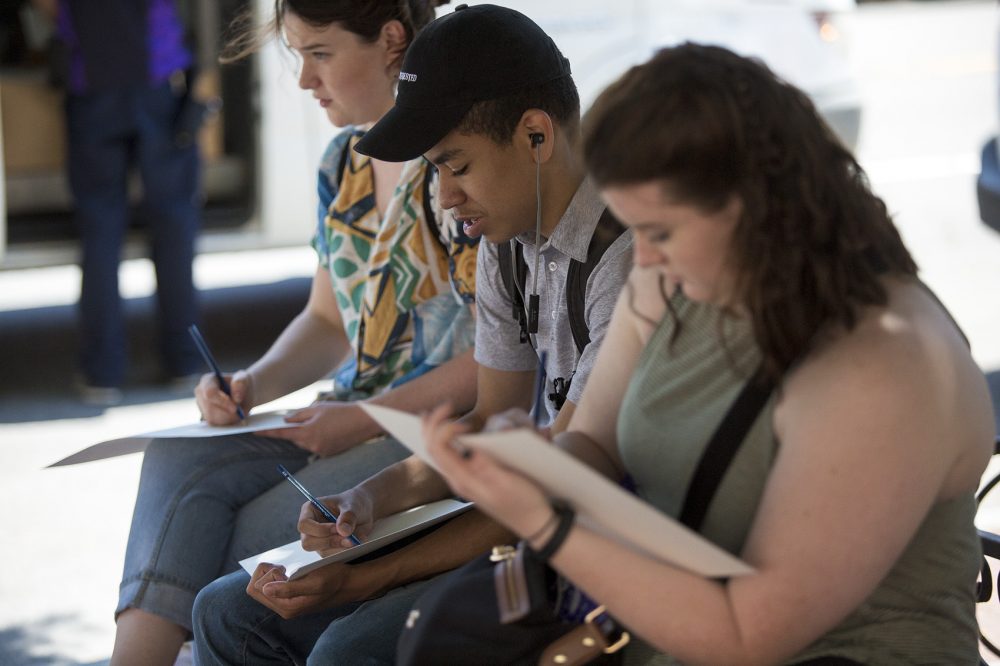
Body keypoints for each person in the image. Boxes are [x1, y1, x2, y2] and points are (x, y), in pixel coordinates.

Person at [420, 43, 997, 665]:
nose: (640, 257)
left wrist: (547, 520)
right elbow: (593, 447)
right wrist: (535, 463)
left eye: (659, 231)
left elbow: (749, 635)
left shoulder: (886, 362)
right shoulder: (671, 281)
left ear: (757, 207)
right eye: (632, 226)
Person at [190, 5, 632, 664]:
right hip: (529, 510)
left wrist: (364, 576)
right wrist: (368, 498)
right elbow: (489, 420)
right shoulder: (508, 241)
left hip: (593, 544)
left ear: (536, 135)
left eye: (457, 166)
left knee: (346, 649)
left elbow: (555, 485)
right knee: (225, 611)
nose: (447, 198)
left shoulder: (618, 256)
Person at [109, 1, 478, 664]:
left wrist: (364, 417)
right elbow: (328, 320)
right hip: (348, 413)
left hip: (432, 429)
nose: (303, 79)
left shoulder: (458, 165)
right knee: (173, 454)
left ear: (392, 42)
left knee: (230, 539)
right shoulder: (346, 161)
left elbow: (497, 361)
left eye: (320, 53)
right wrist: (252, 383)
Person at [40, 0, 203, 404]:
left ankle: (102, 373)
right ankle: (184, 362)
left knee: (99, 233)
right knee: (173, 226)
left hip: (91, 88)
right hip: (158, 87)